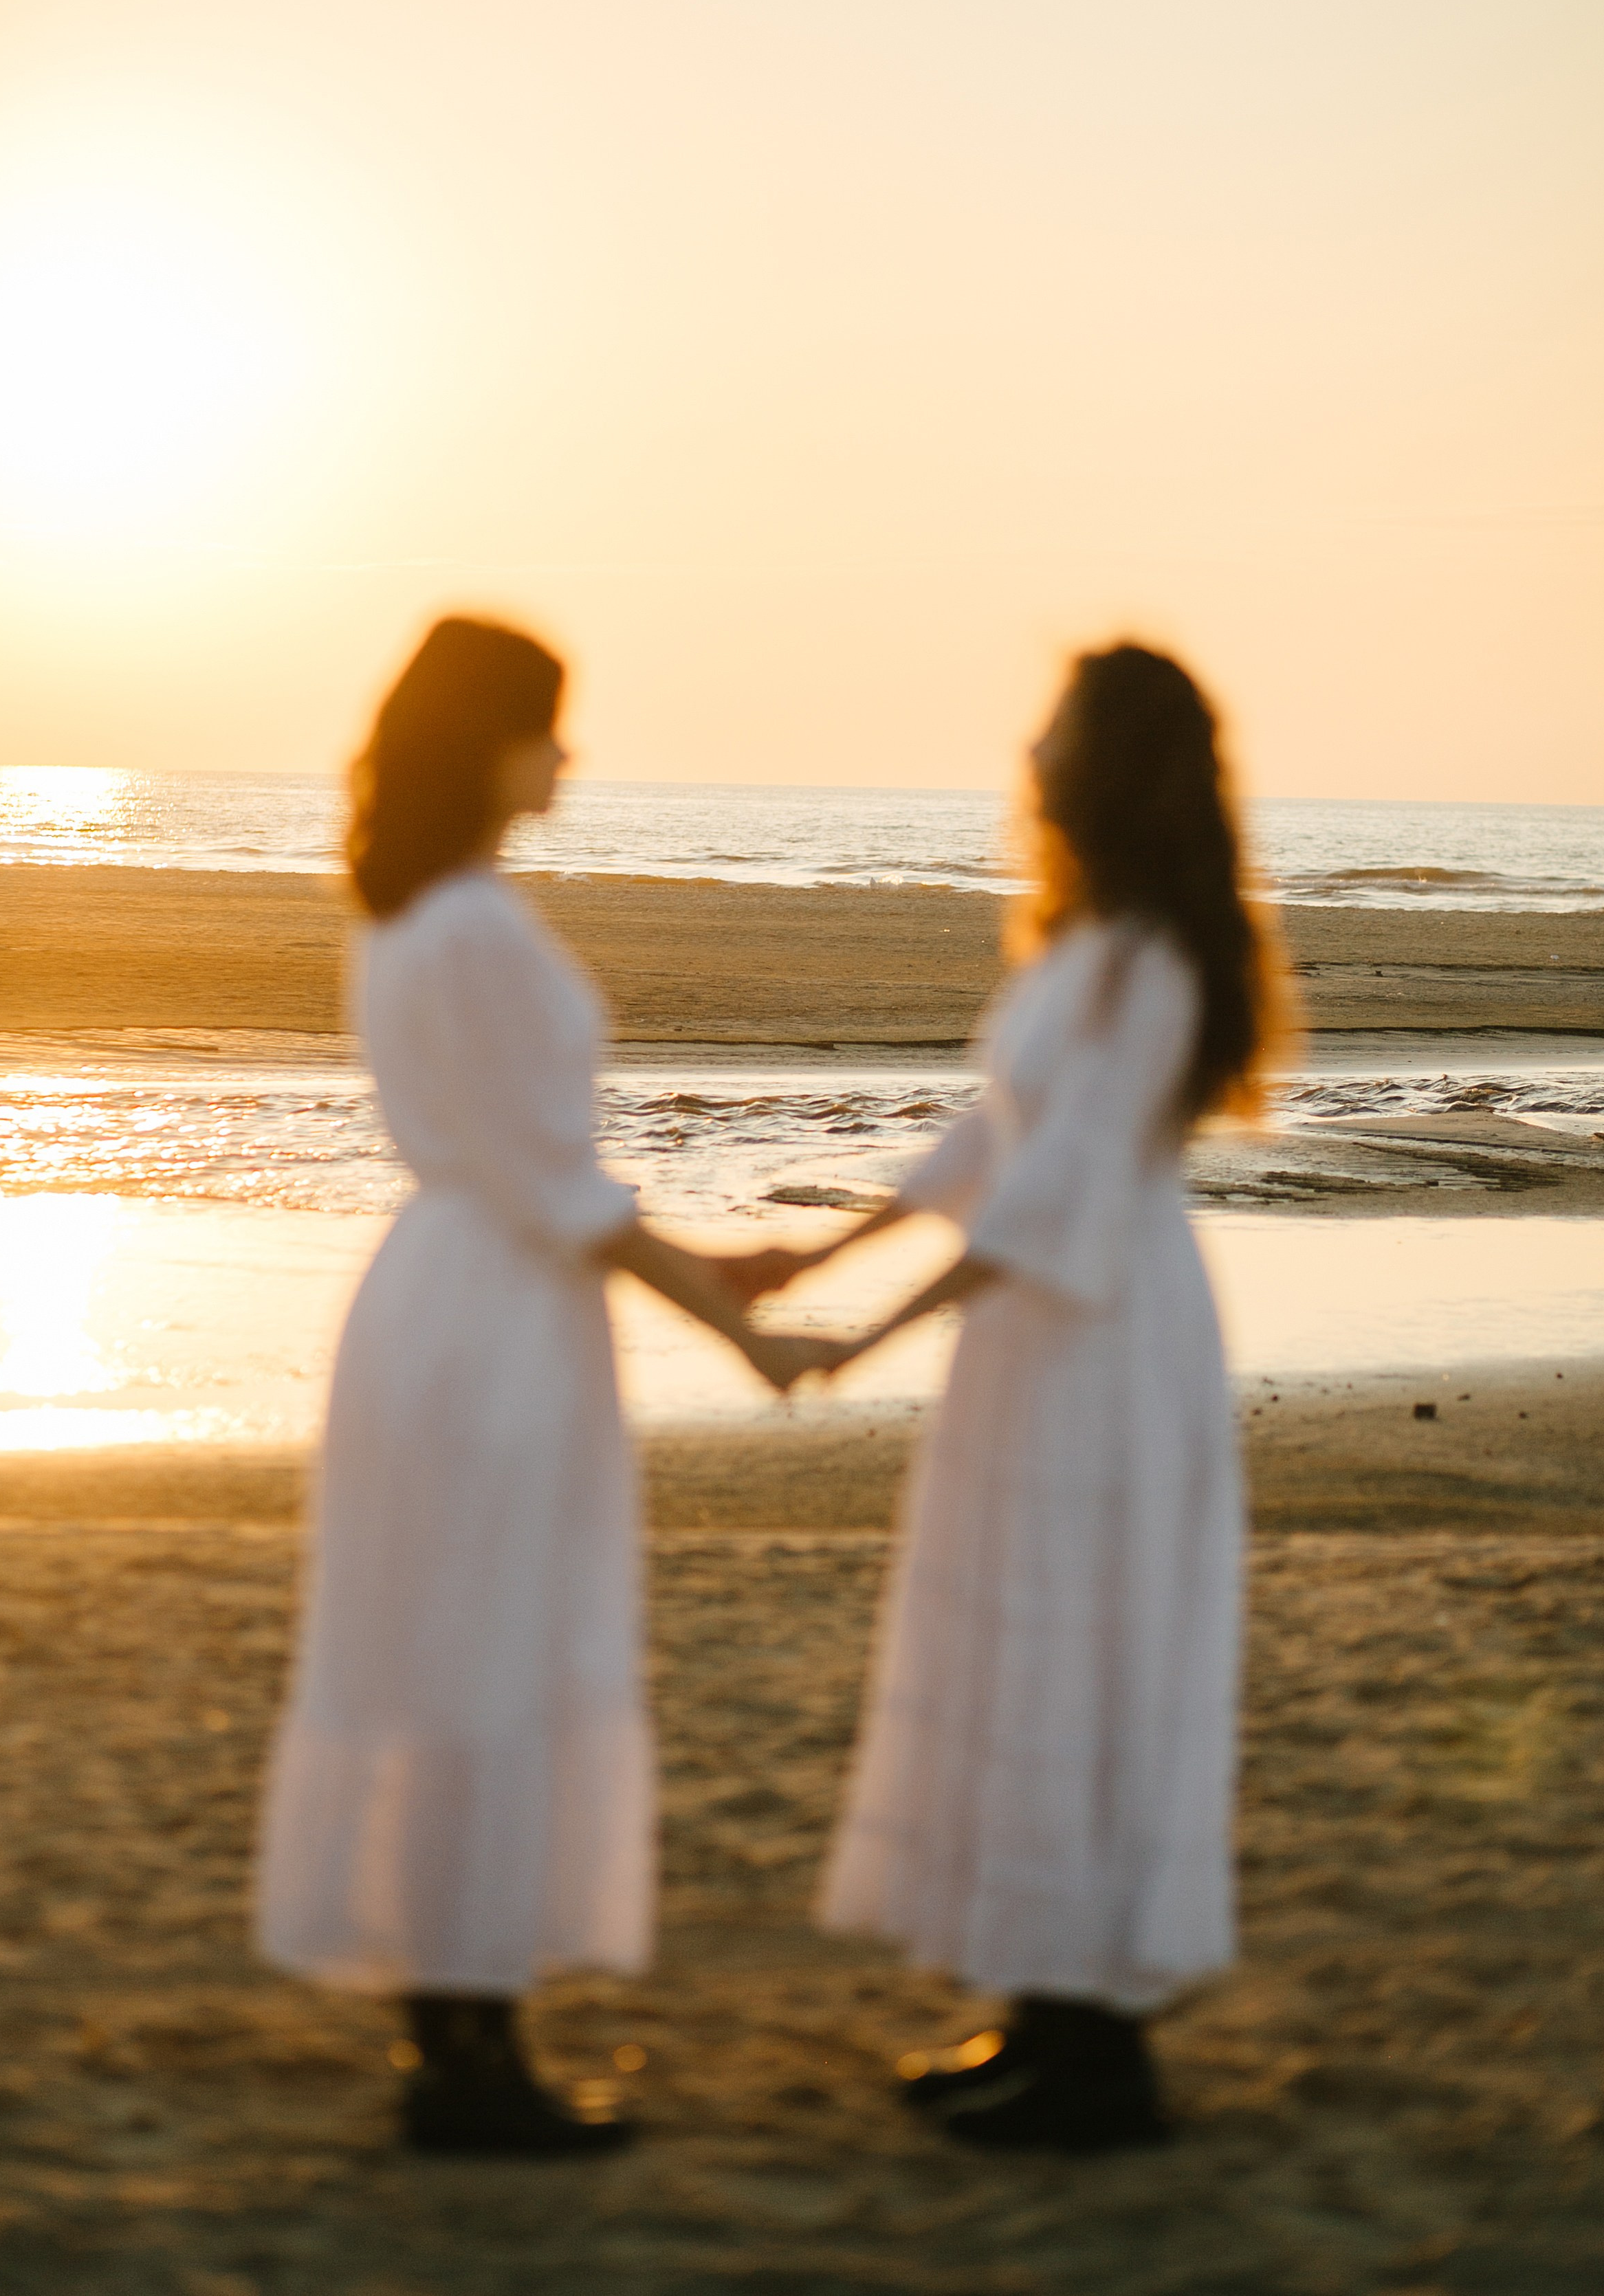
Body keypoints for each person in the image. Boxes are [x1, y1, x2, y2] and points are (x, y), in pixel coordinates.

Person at [256, 615, 825, 2158]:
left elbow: (525, 1172)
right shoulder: (476, 928)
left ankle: (449, 2025)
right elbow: (554, 1189)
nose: (569, 755)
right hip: (498, 1323)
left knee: (441, 1657)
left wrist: (706, 1258)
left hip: (436, 1292)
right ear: (487, 740)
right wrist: (733, 1322)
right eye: (548, 726)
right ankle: (476, 2050)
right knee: (494, 1657)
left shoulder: (399, 913)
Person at [729, 641, 1286, 2152]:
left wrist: (862, 1342)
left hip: (1105, 1341)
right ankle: (1041, 2011)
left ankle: (1101, 2054)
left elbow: (1057, 1203)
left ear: (1106, 759)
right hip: (1030, 1348)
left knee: (1085, 1651)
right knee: (1020, 1641)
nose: (1028, 745)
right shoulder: (1085, 942)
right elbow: (988, 1142)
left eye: (1055, 724)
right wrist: (818, 1252)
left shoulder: (1157, 963)